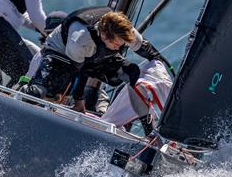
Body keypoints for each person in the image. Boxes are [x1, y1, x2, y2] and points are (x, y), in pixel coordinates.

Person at [21, 7, 167, 114]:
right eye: (116, 45)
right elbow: (80, 72)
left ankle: (148, 129)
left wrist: (161, 67)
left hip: (94, 55)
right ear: (103, 35)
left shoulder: (123, 32)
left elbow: (150, 53)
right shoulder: (80, 38)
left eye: (121, 45)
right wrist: (80, 103)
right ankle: (25, 92)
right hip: (61, 54)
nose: (120, 47)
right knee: (44, 90)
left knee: (132, 73)